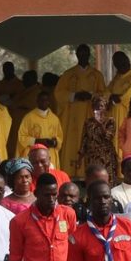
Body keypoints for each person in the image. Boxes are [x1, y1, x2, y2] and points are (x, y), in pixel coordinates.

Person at [54, 45, 106, 175]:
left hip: (90, 114)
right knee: (73, 143)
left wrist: (91, 95)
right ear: (77, 55)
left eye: (85, 53)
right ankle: (71, 172)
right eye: (80, 53)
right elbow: (58, 93)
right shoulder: (68, 74)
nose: (83, 56)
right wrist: (74, 95)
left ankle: (90, 173)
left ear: (89, 55)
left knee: (90, 140)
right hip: (73, 118)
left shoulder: (96, 75)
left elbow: (103, 94)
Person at [106, 52, 131, 158]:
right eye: (117, 64)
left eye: (122, 62)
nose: (120, 65)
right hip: (114, 115)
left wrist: (116, 97)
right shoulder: (117, 77)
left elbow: (130, 96)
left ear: (127, 61)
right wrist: (110, 97)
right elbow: (107, 92)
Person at [17, 91, 64, 168]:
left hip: (50, 154)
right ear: (37, 101)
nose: (44, 102)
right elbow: (22, 137)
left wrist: (54, 142)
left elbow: (60, 137)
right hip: (34, 153)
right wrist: (37, 141)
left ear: (49, 102)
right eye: (42, 100)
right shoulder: (29, 117)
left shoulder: (55, 119)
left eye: (46, 100)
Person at [80, 96, 119, 178]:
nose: (98, 108)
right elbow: (84, 139)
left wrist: (100, 123)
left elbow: (109, 137)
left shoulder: (110, 121)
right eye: (96, 106)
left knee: (106, 180)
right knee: (93, 179)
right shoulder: (88, 122)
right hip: (92, 156)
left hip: (106, 157)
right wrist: (80, 157)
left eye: (101, 106)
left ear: (105, 108)